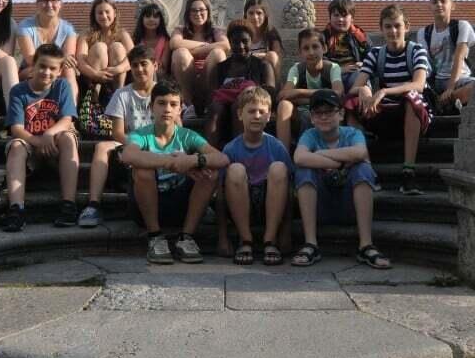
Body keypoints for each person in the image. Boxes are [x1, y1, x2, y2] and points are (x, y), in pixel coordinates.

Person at [122, 80, 229, 264]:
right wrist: (170, 162)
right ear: (151, 107)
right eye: (161, 103)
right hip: (145, 208)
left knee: (210, 173)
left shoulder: (187, 136)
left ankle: (186, 237)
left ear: (180, 109)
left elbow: (222, 159)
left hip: (181, 205)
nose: (167, 109)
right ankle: (155, 236)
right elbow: (128, 155)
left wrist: (193, 160)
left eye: (173, 104)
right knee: (142, 170)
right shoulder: (141, 135)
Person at [292, 89, 390, 269]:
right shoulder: (310, 135)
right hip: (321, 205)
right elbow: (299, 158)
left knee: (363, 169)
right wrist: (340, 163)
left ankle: (366, 244)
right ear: (312, 118)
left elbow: (360, 153)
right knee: (304, 171)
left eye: (329, 111)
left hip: (350, 205)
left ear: (341, 114)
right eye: (318, 113)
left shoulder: (352, 134)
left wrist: (321, 154)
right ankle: (310, 243)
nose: (324, 117)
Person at [346, 4, 432, 196]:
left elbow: (418, 84)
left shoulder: (417, 51)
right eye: (388, 26)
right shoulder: (375, 54)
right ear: (381, 29)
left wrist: (384, 91)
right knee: (351, 103)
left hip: (414, 114)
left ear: (406, 27)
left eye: (397, 25)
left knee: (412, 97)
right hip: (386, 114)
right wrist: (365, 91)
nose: (393, 31)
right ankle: (366, 168)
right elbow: (355, 87)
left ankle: (408, 171)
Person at [1, 43, 79, 233]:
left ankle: (69, 204)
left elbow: (67, 119)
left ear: (60, 71)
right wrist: (38, 142)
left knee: (68, 138)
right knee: (16, 147)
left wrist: (48, 134)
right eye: (42, 66)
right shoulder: (19, 91)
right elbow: (16, 129)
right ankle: (16, 209)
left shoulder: (61, 86)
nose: (46, 72)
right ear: (33, 67)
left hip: (54, 144)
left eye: (53, 68)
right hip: (29, 142)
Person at [78, 45, 158, 228]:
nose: (139, 69)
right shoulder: (122, 94)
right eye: (135, 65)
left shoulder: (164, 92)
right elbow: (117, 133)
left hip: (160, 144)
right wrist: (139, 144)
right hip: (130, 142)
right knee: (101, 147)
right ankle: (93, 205)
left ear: (156, 65)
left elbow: (177, 128)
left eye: (144, 64)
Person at [221, 87, 293, 266]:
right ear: (240, 114)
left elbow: (290, 189)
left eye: (262, 112)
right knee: (235, 169)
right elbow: (220, 194)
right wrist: (222, 237)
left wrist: (286, 232)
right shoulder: (231, 149)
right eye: (251, 111)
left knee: (278, 168)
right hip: (239, 205)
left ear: (269, 116)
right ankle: (246, 240)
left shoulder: (276, 147)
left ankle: (270, 240)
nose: (257, 116)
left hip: (271, 204)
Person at [206, 20, 276, 148]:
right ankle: (210, 155)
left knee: (240, 105)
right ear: (230, 42)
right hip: (222, 111)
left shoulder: (262, 65)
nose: (241, 46)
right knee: (214, 108)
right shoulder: (220, 68)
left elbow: (270, 93)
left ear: (251, 41)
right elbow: (211, 94)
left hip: (251, 110)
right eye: (235, 42)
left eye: (245, 41)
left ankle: (240, 152)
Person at [276, 27, 344, 147]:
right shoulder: (296, 69)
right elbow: (284, 95)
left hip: (326, 112)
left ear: (324, 48)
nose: (311, 52)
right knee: (284, 105)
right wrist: (321, 96)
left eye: (315, 47)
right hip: (302, 115)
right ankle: (283, 155)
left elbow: (337, 93)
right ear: (300, 52)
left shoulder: (333, 68)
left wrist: (298, 92)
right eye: (306, 48)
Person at [415, 0, 475, 111]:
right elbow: (425, 63)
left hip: (460, 78)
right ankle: (451, 103)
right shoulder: (423, 33)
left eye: (443, 1)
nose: (439, 4)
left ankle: (446, 102)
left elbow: (459, 57)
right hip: (437, 80)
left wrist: (450, 88)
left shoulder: (461, 26)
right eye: (435, 2)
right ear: (430, 7)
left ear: (452, 5)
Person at [16, 0, 79, 104]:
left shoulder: (68, 29)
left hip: (58, 70)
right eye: (44, 0)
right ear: (37, 4)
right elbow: (31, 59)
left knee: (68, 69)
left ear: (60, 4)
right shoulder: (25, 26)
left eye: (54, 0)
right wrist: (59, 61)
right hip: (31, 69)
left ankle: (70, 113)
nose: (49, 5)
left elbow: (69, 58)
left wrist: (60, 63)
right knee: (57, 67)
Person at [170, 0, 229, 116]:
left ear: (208, 11)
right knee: (181, 53)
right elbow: (174, 43)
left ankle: (211, 104)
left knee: (218, 53)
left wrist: (194, 50)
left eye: (202, 9)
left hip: (208, 78)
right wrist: (205, 45)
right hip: (186, 78)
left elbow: (226, 45)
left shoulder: (215, 31)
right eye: (194, 10)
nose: (198, 13)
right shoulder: (180, 30)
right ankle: (187, 106)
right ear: (188, 13)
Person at [76, 0, 133, 95]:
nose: (104, 16)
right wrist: (95, 74)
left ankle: (118, 95)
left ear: (114, 13)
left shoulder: (122, 34)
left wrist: (118, 69)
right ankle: (94, 96)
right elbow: (80, 60)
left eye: (107, 12)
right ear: (94, 15)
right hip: (92, 78)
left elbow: (133, 56)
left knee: (117, 47)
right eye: (100, 13)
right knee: (100, 47)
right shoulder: (86, 34)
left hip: (117, 77)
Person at [322, 0, 370, 92]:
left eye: (344, 16)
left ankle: (353, 98)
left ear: (352, 18)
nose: (340, 19)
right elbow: (320, 59)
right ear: (330, 17)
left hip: (354, 73)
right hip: (333, 75)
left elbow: (370, 54)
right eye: (336, 15)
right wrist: (339, 70)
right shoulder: (324, 36)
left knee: (361, 76)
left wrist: (363, 64)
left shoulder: (359, 36)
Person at [243, 0, 285, 80]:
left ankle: (275, 91)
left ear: (265, 15)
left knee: (272, 55)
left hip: (266, 76)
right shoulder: (241, 33)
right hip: (245, 74)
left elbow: (277, 57)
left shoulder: (271, 33)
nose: (255, 17)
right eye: (251, 13)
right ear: (245, 15)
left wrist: (255, 56)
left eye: (259, 13)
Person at [131, 3, 172, 76]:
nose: (151, 19)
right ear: (142, 19)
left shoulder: (166, 41)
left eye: (155, 16)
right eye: (147, 16)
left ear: (160, 20)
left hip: (158, 76)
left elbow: (163, 68)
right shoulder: (136, 40)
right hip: (139, 75)